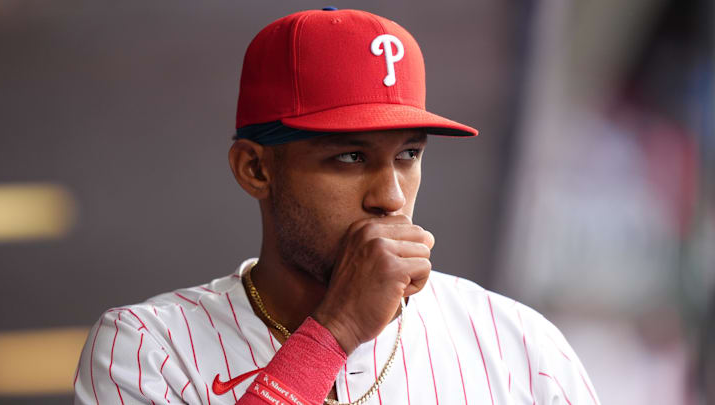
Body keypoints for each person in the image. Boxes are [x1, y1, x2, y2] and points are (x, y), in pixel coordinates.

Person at [74, 8, 600, 405]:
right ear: (255, 169)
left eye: (409, 154)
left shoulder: (521, 347)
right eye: (350, 156)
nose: (391, 197)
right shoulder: (148, 349)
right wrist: (335, 332)